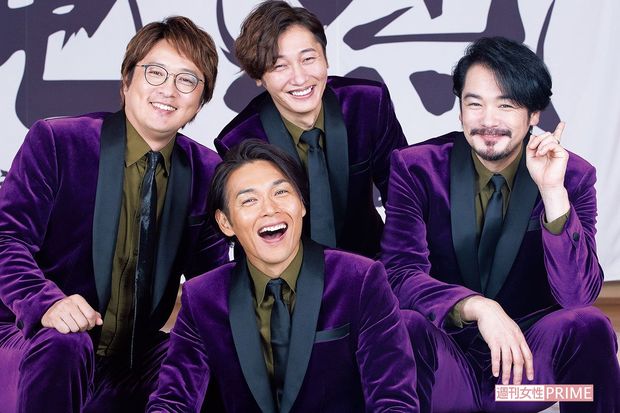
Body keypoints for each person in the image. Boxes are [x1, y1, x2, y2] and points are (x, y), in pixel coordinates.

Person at [0, 16, 229, 413]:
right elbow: (7, 238)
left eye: (187, 80)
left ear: (200, 99)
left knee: (207, 355)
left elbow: (211, 283)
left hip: (130, 360)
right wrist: (45, 302)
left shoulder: (207, 172)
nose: (168, 90)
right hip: (33, 339)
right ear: (126, 81)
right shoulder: (58, 141)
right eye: (155, 72)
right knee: (65, 343)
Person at [381, 36, 620, 412]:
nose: (488, 121)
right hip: (447, 379)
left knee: (590, 325)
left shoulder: (572, 175)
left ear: (534, 114)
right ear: (460, 110)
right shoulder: (417, 168)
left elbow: (578, 297)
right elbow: (399, 276)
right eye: (474, 104)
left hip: (522, 384)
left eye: (506, 105)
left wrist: (552, 193)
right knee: (404, 328)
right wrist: (476, 306)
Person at [147, 140, 419, 412]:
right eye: (249, 200)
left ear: (302, 204)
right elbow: (173, 401)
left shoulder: (360, 279)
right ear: (225, 222)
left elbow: (394, 400)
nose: (269, 209)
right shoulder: (202, 298)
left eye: (281, 192)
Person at [215, 0, 407, 258]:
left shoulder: (368, 103)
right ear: (259, 76)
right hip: (285, 273)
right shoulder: (238, 140)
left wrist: (397, 266)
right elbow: (248, 234)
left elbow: (404, 198)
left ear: (325, 59)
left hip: (372, 262)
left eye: (308, 59)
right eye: (279, 66)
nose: (300, 78)